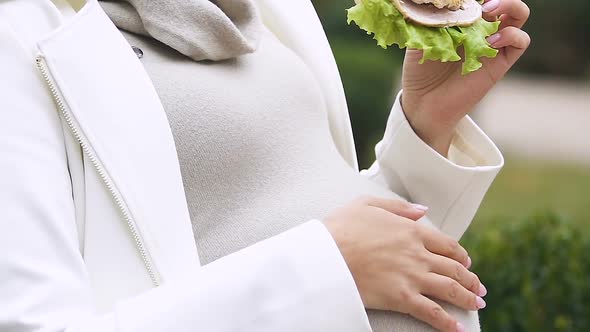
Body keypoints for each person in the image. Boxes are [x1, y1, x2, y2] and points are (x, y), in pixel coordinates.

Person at [0, 0, 529, 331]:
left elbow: (326, 221)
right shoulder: (16, 37)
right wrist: (327, 265)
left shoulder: (274, 10)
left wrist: (427, 123)